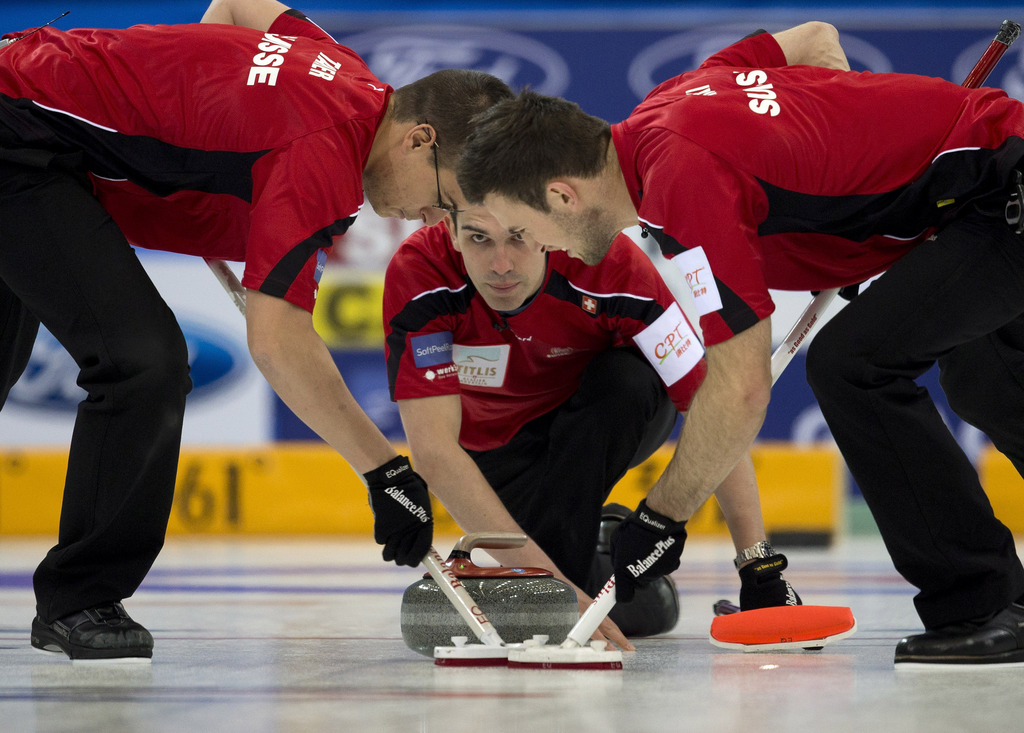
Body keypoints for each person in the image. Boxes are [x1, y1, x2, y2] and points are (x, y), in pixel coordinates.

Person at [456, 20, 1024, 666]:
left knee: (852, 365)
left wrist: (661, 518)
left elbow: (742, 386)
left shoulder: (679, 180)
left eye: (528, 229)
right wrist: (846, 145)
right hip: (979, 193)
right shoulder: (671, 102)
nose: (542, 250)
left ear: (561, 194)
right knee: (988, 380)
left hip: (997, 193)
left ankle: (979, 601)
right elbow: (814, 39)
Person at [0, 0, 511, 661]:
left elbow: (240, 4)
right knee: (144, 362)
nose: (423, 220)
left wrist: (187, 91)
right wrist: (385, 471)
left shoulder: (346, 75)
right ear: (419, 140)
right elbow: (276, 341)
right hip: (19, 139)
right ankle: (80, 597)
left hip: (31, 112)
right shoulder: (324, 153)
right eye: (443, 201)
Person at [383, 207, 806, 648]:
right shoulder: (421, 273)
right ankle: (609, 551)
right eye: (479, 239)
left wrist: (758, 568)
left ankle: (587, 552)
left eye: (518, 238)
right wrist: (562, 592)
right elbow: (434, 451)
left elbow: (715, 411)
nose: (501, 265)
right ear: (448, 229)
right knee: (569, 594)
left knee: (625, 381)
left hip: (607, 415)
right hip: (497, 452)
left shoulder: (609, 261)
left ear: (546, 229)